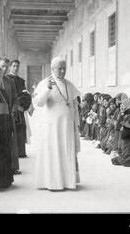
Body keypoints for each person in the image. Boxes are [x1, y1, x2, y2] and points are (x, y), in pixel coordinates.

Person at [33, 57, 81, 190]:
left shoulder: (69, 84)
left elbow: (74, 104)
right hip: (52, 126)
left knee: (66, 150)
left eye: (64, 68)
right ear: (52, 69)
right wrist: (47, 89)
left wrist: (76, 122)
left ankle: (67, 182)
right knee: (53, 151)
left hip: (67, 125)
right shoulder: (45, 83)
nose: (62, 71)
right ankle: (52, 183)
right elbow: (39, 103)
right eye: (59, 68)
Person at [0, 58, 21, 174]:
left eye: (6, 67)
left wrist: (13, 110)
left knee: (11, 141)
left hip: (8, 115)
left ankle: (12, 167)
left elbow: (15, 98)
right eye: (2, 66)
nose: (4, 69)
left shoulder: (9, 81)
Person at [6, 59, 30, 158]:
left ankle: (21, 151)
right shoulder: (6, 79)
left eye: (17, 66)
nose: (15, 68)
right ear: (10, 67)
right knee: (13, 130)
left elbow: (25, 95)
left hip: (20, 109)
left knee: (21, 129)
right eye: (14, 66)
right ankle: (13, 153)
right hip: (11, 108)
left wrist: (23, 106)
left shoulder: (21, 80)